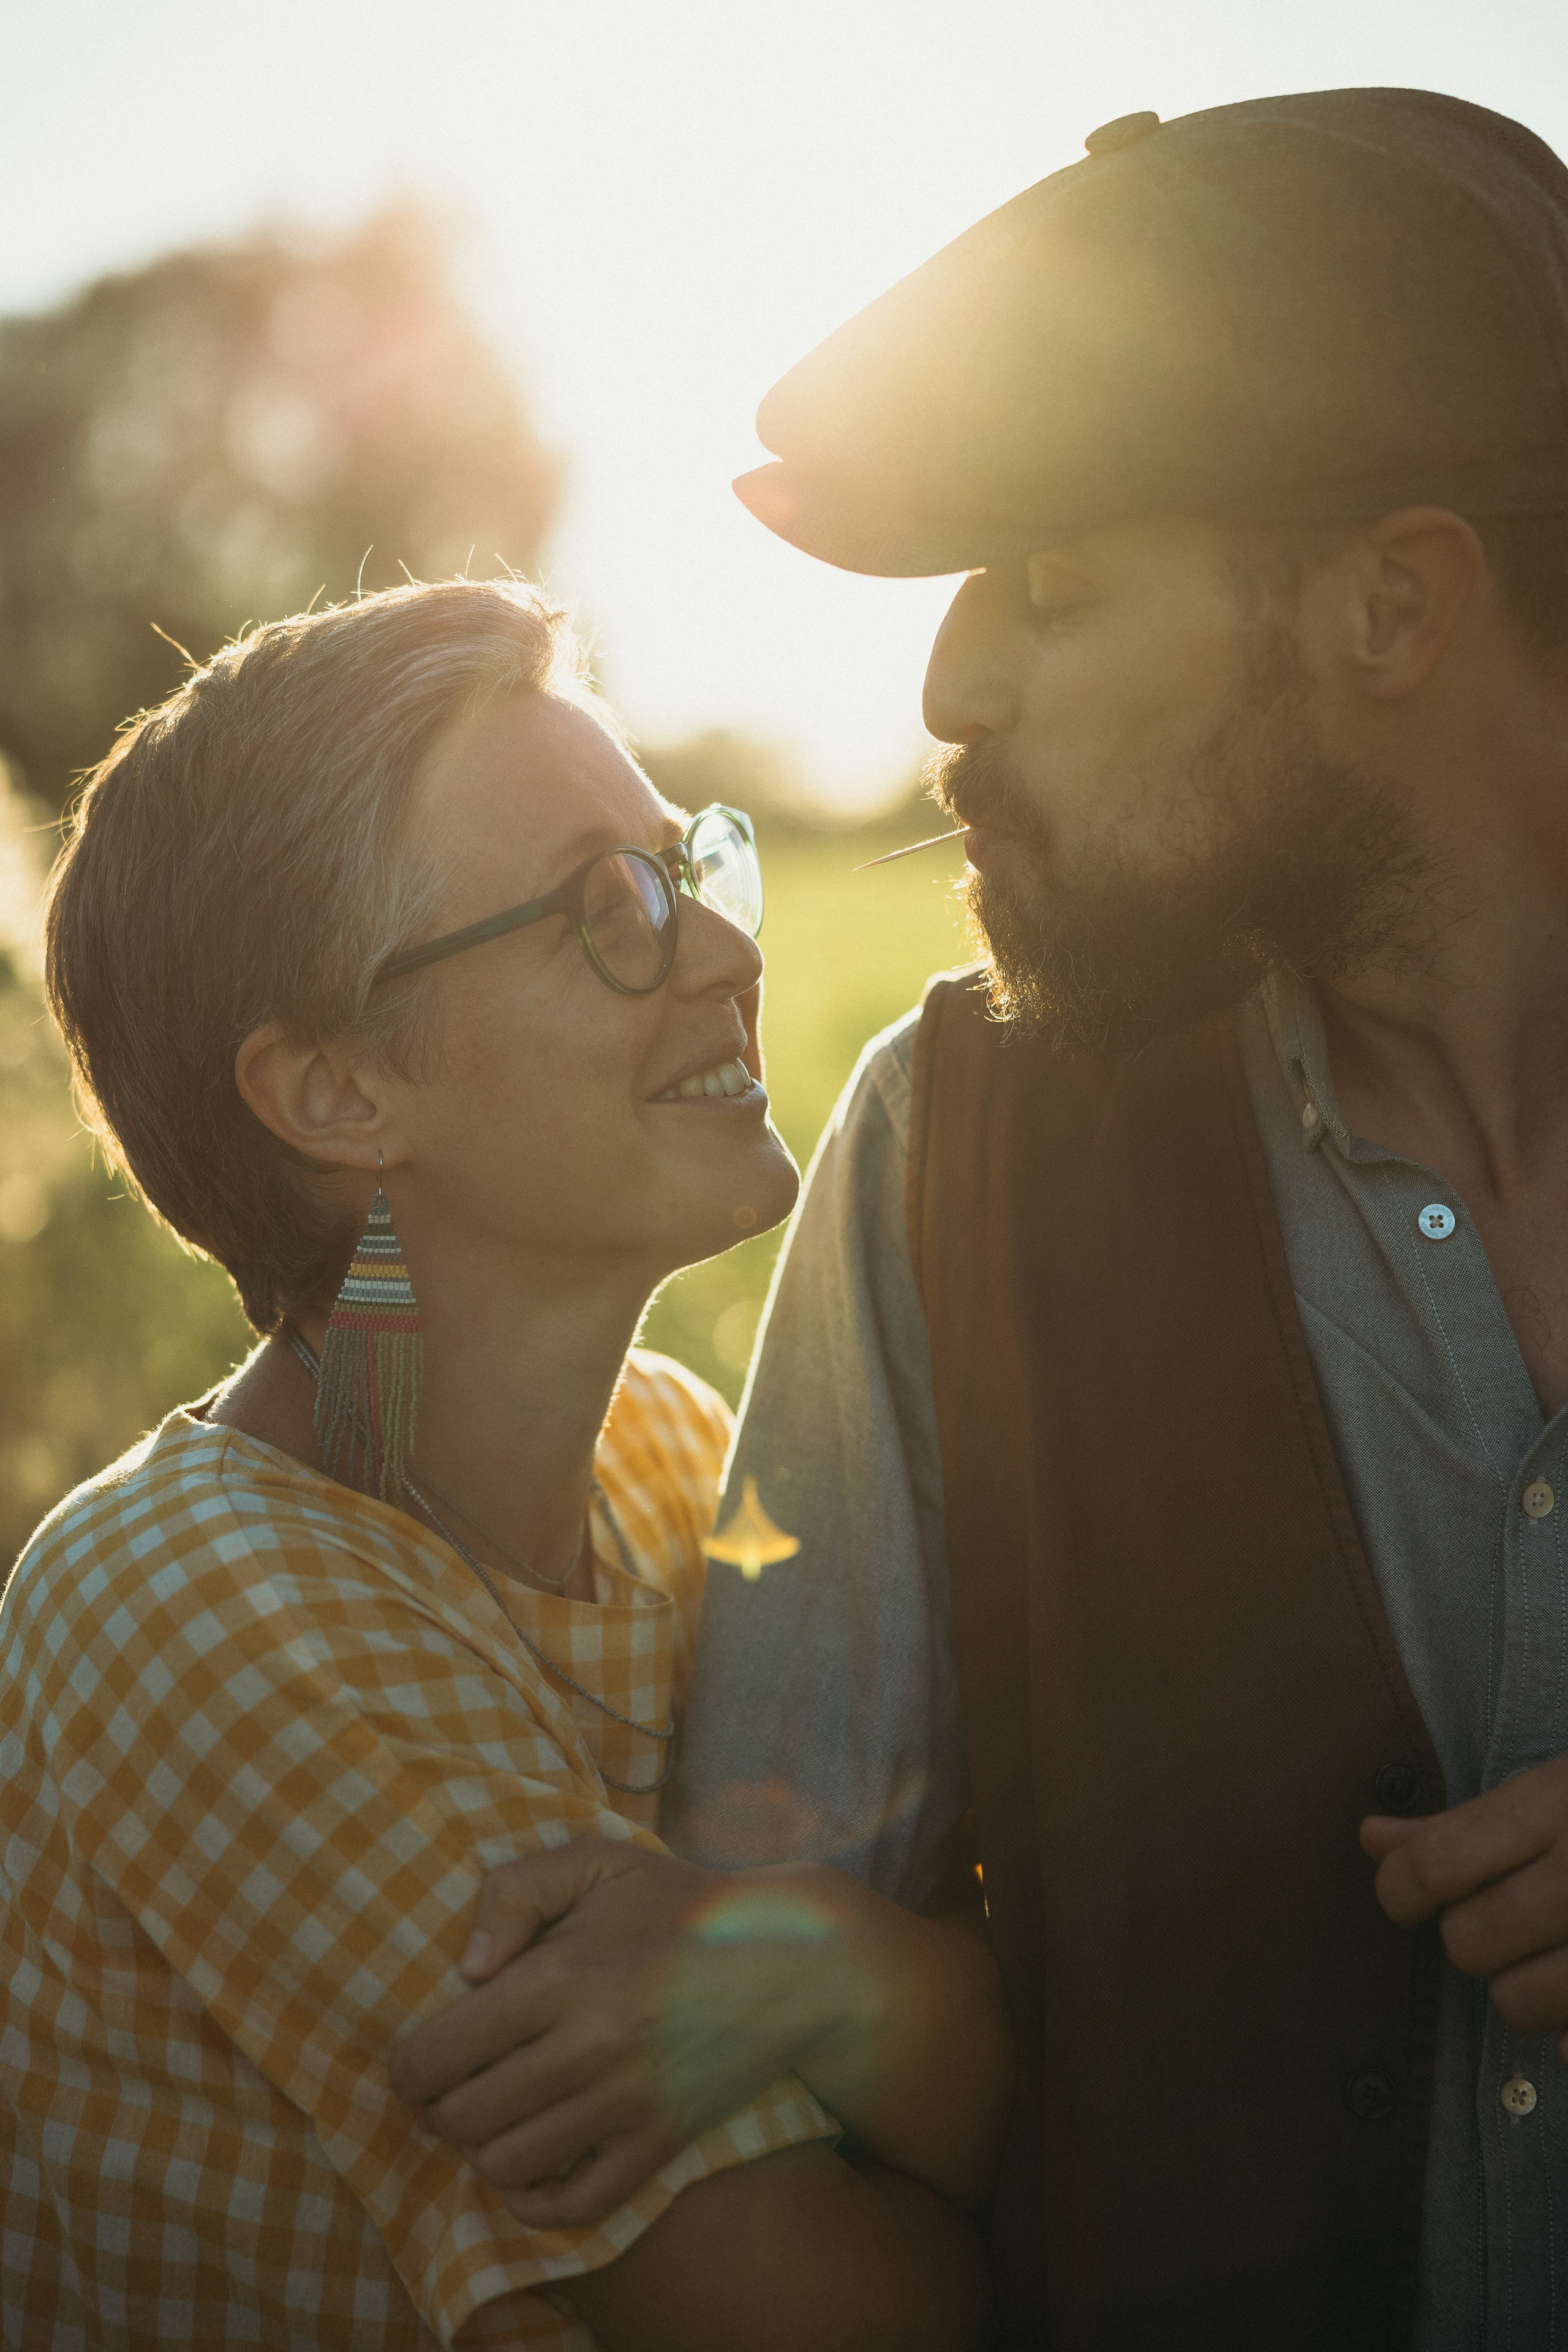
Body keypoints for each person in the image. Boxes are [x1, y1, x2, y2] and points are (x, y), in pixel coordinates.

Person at [389, 90, 1568, 2351]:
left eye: (1054, 584)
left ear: (1394, 602)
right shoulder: (951, 1160)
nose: (949, 688)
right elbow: (770, 2026)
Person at [0, 578, 1008, 2351]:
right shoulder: (189, 1599)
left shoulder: (675, 1466)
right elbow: (836, 2313)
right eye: (609, 909)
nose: (726, 952)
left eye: (687, 864)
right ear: (338, 1093)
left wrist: (823, 1970)